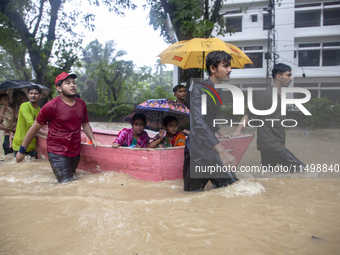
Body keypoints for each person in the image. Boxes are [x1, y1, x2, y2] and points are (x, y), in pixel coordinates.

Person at [16, 72, 98, 183]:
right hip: (57, 151)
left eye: (74, 83)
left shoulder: (81, 104)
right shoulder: (50, 106)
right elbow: (34, 128)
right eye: (67, 83)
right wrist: (22, 150)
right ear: (59, 88)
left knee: (73, 179)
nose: (72, 85)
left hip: (75, 150)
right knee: (67, 183)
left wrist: (93, 139)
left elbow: (85, 123)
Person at [232, 63, 306, 172]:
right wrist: (237, 131)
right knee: (302, 170)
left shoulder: (280, 96)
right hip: (271, 144)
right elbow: (249, 115)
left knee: (268, 175)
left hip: (274, 143)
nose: (291, 78)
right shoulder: (267, 95)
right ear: (278, 76)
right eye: (288, 75)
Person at [183, 50, 238, 192]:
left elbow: (209, 119)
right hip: (197, 151)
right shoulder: (199, 89)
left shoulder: (219, 91)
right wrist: (221, 150)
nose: (230, 70)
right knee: (191, 195)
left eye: (229, 66)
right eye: (225, 66)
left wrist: (221, 132)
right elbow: (198, 121)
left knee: (233, 187)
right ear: (213, 69)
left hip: (210, 148)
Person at [12, 86, 47, 158]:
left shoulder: (39, 110)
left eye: (35, 94)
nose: (33, 95)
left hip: (32, 146)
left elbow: (44, 123)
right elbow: (31, 125)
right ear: (28, 95)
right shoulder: (24, 106)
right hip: (20, 145)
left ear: (40, 96)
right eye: (31, 93)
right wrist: (48, 134)